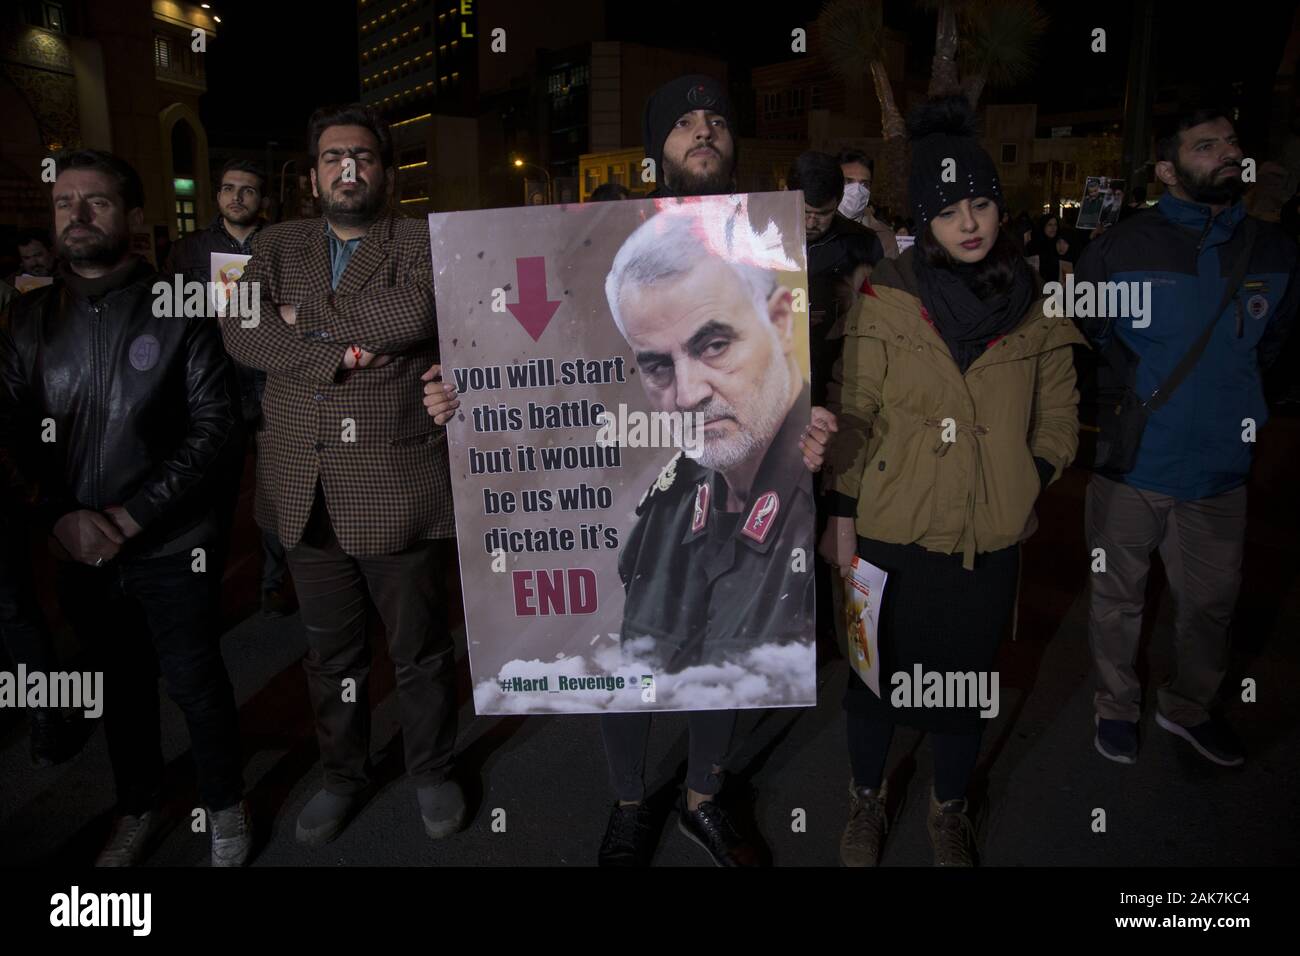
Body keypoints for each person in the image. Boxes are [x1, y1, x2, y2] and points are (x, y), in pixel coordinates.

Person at [425, 74, 833, 868]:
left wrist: (820, 425)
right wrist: (463, 396)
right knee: (630, 635)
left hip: (750, 485)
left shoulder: (772, 247)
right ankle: (628, 800)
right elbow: (536, 363)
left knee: (732, 643)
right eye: (683, 123)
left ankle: (704, 801)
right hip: (643, 475)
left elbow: (815, 368)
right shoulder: (591, 241)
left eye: (716, 118)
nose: (704, 131)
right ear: (656, 152)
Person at [821, 95, 1085, 867]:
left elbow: (1060, 420)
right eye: (948, 211)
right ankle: (865, 800)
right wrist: (841, 514)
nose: (969, 223)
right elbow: (854, 411)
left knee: (962, 690)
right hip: (887, 535)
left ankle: (949, 805)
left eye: (981, 204)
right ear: (925, 222)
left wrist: (1022, 480)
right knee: (873, 685)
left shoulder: (1037, 311)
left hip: (984, 541)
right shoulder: (885, 302)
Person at [218, 104, 465, 846]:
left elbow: (416, 307)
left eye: (362, 156)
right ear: (314, 172)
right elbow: (239, 329)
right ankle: (341, 776)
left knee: (419, 651)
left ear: (385, 170)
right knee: (330, 657)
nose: (348, 169)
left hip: (398, 483)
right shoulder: (275, 242)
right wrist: (343, 351)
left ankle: (431, 770)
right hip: (302, 488)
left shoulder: (420, 238)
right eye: (332, 158)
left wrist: (303, 320)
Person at [0, 149, 250, 866]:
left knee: (197, 683)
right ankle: (137, 808)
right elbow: (7, 435)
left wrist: (132, 517)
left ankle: (225, 807)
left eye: (97, 202)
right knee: (121, 691)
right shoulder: (26, 320)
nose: (76, 216)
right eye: (63, 204)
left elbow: (214, 429)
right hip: (78, 550)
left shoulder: (183, 305)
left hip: (171, 547)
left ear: (134, 217)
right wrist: (57, 517)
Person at [1076, 106, 1299, 768]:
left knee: (1210, 607)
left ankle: (1188, 706)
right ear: (1169, 169)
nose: (1228, 153)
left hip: (1220, 474)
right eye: (1206, 146)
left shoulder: (1277, 252)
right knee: (1116, 601)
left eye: (1232, 141)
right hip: (1134, 466)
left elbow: (1275, 349)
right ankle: (1116, 706)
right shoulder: (1120, 249)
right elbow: (1091, 336)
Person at [166, 158, 294, 618]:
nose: (237, 196)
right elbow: (171, 318)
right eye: (228, 188)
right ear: (217, 195)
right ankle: (206, 590)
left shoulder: (285, 243)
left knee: (279, 492)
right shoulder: (188, 251)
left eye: (249, 189)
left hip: (275, 383)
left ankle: (275, 583)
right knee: (211, 498)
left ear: (263, 200)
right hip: (215, 389)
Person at [837, 149, 900, 259]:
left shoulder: (884, 236)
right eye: (848, 181)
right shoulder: (815, 229)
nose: (857, 190)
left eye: (864, 184)